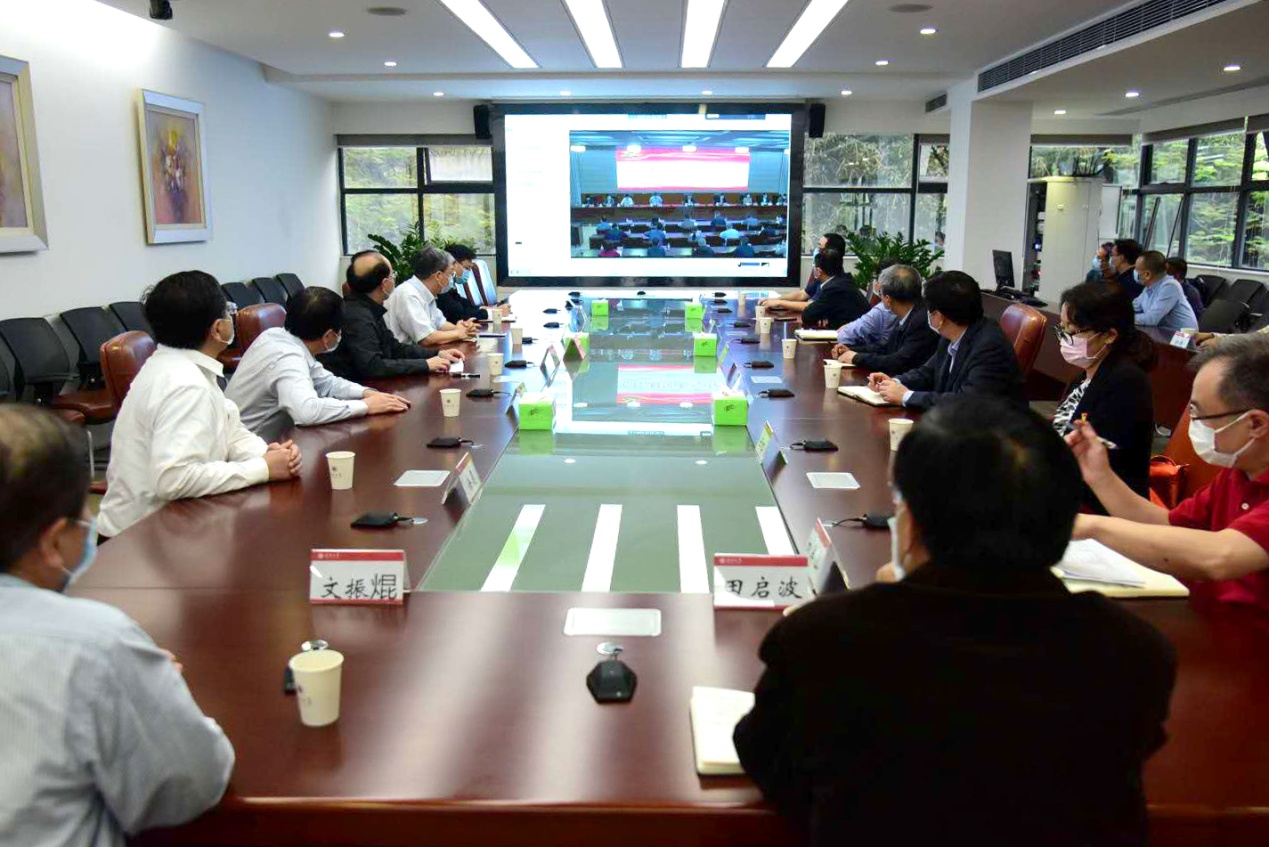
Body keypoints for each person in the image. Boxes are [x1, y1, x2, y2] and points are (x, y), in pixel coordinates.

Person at [734, 397, 1176, 847]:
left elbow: (768, 761)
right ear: (1064, 524)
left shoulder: (823, 636)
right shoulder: (1136, 651)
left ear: (910, 522)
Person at [0, 406, 238, 847]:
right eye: (82, 519)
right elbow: (193, 783)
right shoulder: (93, 644)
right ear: (52, 542)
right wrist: (148, 684)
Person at [1068, 334, 1269, 609]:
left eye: (1199, 415)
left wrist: (1092, 526)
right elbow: (1166, 525)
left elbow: (1220, 556)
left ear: (1256, 423)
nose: (1192, 424)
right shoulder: (1239, 471)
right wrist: (1100, 476)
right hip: (1199, 615)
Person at [97, 271, 301, 538]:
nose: (232, 317)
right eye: (228, 312)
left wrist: (267, 454)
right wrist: (262, 468)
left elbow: (229, 430)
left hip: (169, 524)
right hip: (138, 539)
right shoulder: (185, 384)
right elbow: (174, 479)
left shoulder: (179, 366)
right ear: (218, 329)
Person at [226, 288, 412, 442]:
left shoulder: (276, 335)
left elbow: (326, 382)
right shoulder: (287, 357)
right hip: (246, 453)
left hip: (267, 444)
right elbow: (306, 412)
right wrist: (365, 406)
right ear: (329, 336)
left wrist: (367, 393)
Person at [1051, 282, 1157, 510]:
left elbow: (1101, 459)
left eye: (1072, 331)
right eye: (1062, 328)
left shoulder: (1126, 382)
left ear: (1109, 335)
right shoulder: (1086, 374)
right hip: (1066, 488)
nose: (1064, 338)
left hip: (1100, 506)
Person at [867, 270, 1026, 411]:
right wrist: (894, 382)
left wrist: (906, 396)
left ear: (939, 317)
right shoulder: (952, 333)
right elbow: (928, 372)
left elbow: (967, 403)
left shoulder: (989, 346)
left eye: (928, 310)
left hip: (994, 431)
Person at [320, 251, 463, 381]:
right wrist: (425, 364)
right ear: (384, 284)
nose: (394, 280)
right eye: (392, 276)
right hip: (356, 387)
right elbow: (373, 366)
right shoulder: (358, 316)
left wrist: (437, 354)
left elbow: (395, 348)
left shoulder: (370, 307)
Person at [833, 265, 937, 374]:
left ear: (888, 299)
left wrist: (857, 358)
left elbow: (897, 363)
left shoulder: (921, 321)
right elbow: (885, 347)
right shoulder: (909, 312)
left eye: (880, 294)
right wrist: (851, 350)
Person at [385, 247, 479, 347]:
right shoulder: (408, 294)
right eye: (451, 274)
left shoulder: (426, 293)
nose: (452, 278)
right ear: (438, 276)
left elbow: (440, 324)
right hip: (400, 355)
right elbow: (426, 338)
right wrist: (459, 333)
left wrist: (461, 328)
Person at [764, 233, 847, 307]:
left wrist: (780, 303)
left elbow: (812, 306)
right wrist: (776, 299)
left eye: (820, 248)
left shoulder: (836, 282)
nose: (817, 251)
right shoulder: (822, 275)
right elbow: (803, 294)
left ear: (830, 252)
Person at [834, 260, 900, 348]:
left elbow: (844, 337)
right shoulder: (912, 306)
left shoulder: (882, 310)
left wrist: (850, 327)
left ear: (878, 284)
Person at [437, 243, 508, 323]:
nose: (469, 272)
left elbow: (466, 305)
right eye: (467, 268)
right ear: (454, 264)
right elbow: (460, 314)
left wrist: (490, 309)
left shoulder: (449, 287)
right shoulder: (440, 289)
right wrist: (493, 312)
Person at [800, 249, 869, 329]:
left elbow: (807, 316)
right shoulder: (843, 281)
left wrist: (822, 313)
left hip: (856, 334)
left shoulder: (835, 289)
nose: (813, 269)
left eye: (813, 266)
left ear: (818, 271)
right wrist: (824, 313)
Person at [1132, 250, 1198, 333]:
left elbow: (1151, 319)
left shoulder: (1170, 286)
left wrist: (1123, 318)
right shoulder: (1148, 288)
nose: (1134, 272)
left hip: (1184, 336)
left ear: (1147, 274)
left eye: (1136, 269)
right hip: (1164, 333)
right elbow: (1133, 307)